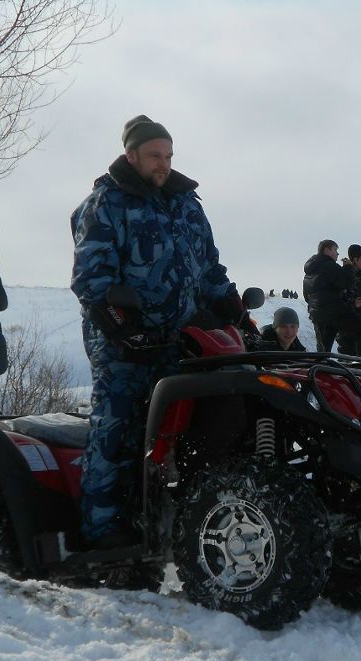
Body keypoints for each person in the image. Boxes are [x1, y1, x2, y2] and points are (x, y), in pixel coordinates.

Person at [70, 114, 242, 546]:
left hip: (180, 340)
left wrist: (230, 306)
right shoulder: (107, 203)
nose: (163, 164)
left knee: (180, 435)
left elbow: (207, 267)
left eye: (168, 155)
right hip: (123, 342)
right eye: (154, 155)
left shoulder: (186, 203)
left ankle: (174, 526)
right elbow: (92, 280)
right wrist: (122, 327)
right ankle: (103, 533)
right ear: (131, 155)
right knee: (118, 429)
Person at [302, 239, 357, 352]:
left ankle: (320, 367)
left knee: (322, 349)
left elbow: (306, 295)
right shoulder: (330, 266)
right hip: (332, 313)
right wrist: (348, 267)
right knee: (357, 334)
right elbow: (347, 283)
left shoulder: (309, 271)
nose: (337, 254)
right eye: (335, 250)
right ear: (327, 250)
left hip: (316, 314)